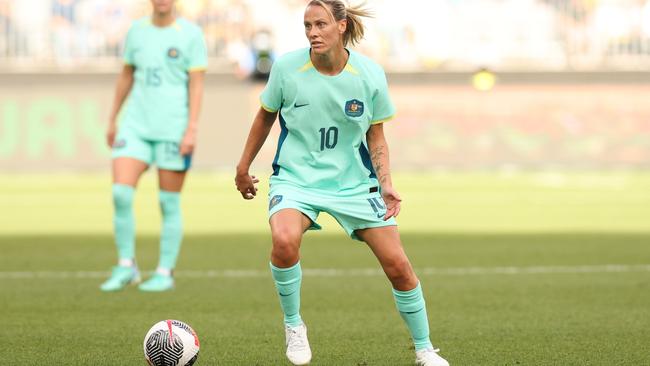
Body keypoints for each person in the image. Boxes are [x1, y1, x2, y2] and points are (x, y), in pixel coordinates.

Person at [234, 1, 449, 365]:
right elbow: (265, 117)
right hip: (296, 179)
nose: (313, 33)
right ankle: (293, 325)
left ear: (342, 26)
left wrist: (386, 183)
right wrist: (243, 167)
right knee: (284, 240)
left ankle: (425, 349)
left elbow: (375, 137)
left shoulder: (369, 75)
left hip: (353, 184)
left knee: (398, 265)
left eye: (320, 24)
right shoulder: (287, 67)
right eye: (307, 26)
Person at [100, 0, 207, 292]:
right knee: (121, 193)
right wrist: (112, 118)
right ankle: (126, 266)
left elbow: (196, 84)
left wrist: (191, 129)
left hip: (173, 128)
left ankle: (165, 271)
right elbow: (127, 75)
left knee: (167, 202)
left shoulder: (191, 34)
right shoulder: (136, 31)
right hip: (135, 125)